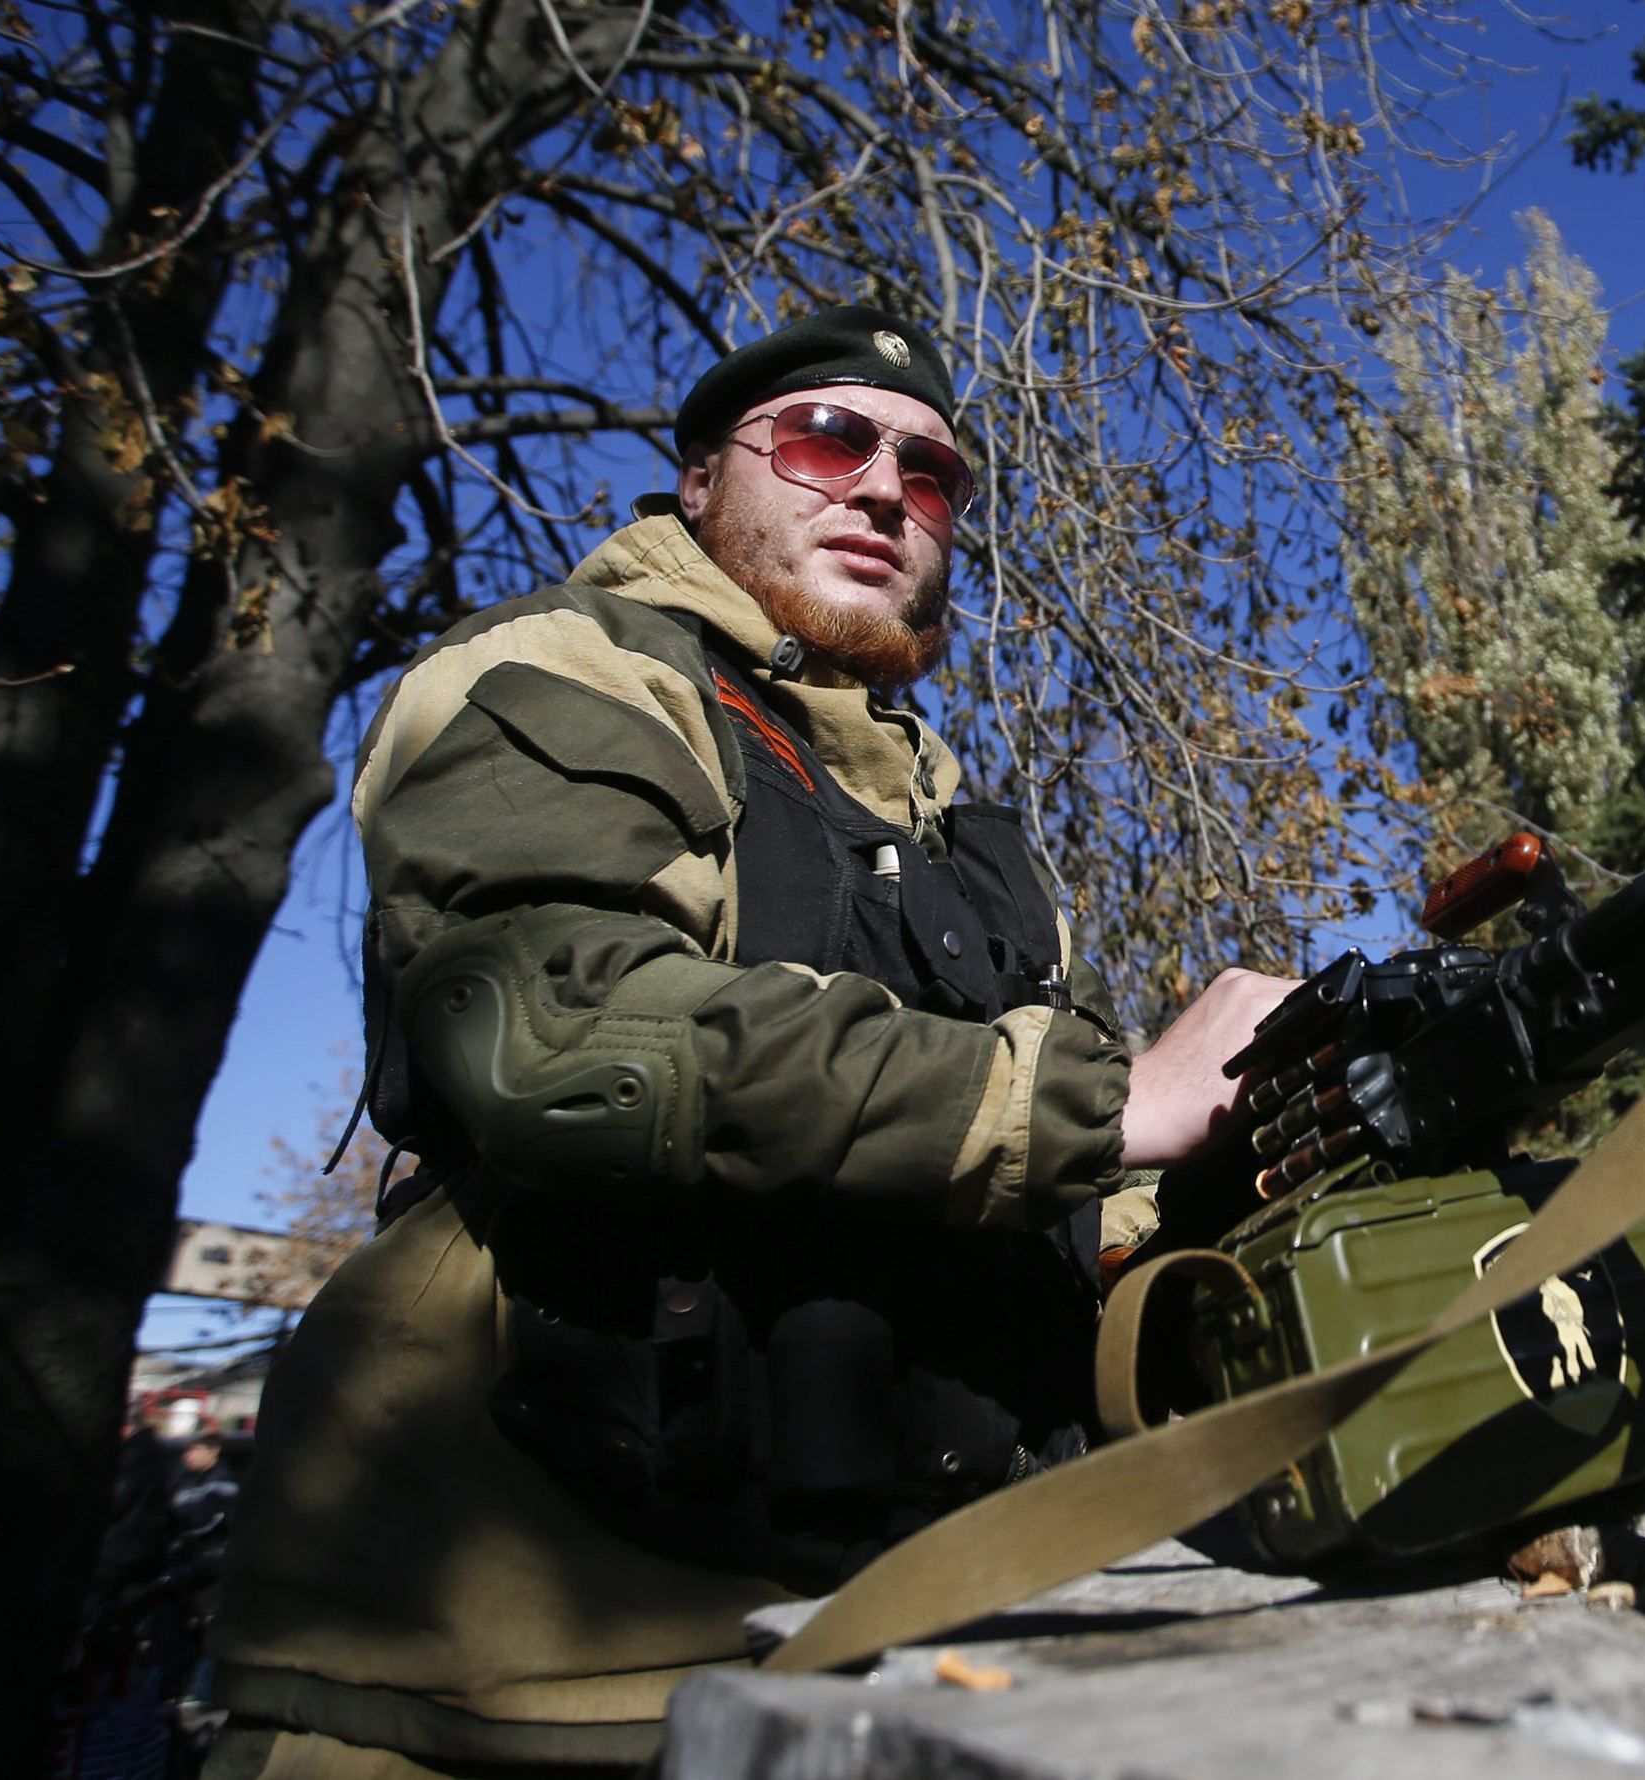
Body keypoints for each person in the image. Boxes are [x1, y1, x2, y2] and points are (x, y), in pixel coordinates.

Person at [205, 307, 1296, 1777]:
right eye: (828, 440)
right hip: (514, 1662)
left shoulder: (949, 821)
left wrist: (1243, 1166)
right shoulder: (570, 671)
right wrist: (1094, 1102)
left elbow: (1018, 1182)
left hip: (908, 1632)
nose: (884, 489)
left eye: (931, 473)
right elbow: (555, 1028)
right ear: (703, 479)